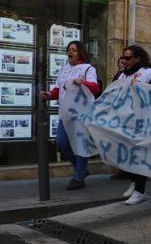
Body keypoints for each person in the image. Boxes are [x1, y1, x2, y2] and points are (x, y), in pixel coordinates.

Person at [41, 41, 100, 190]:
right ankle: (81, 169)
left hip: (81, 113)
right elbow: (58, 90)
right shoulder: (64, 69)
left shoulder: (88, 68)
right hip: (65, 113)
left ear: (80, 52)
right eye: (68, 50)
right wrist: (48, 95)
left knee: (81, 144)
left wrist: (83, 83)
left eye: (73, 50)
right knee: (62, 143)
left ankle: (79, 176)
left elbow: (95, 88)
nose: (70, 52)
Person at [116, 45, 151, 205]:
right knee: (127, 155)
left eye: (128, 58)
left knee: (138, 156)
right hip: (124, 122)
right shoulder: (121, 76)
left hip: (141, 122)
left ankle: (140, 190)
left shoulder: (148, 73)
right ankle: (133, 182)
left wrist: (140, 87)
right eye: (124, 57)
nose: (125, 61)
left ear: (138, 58)